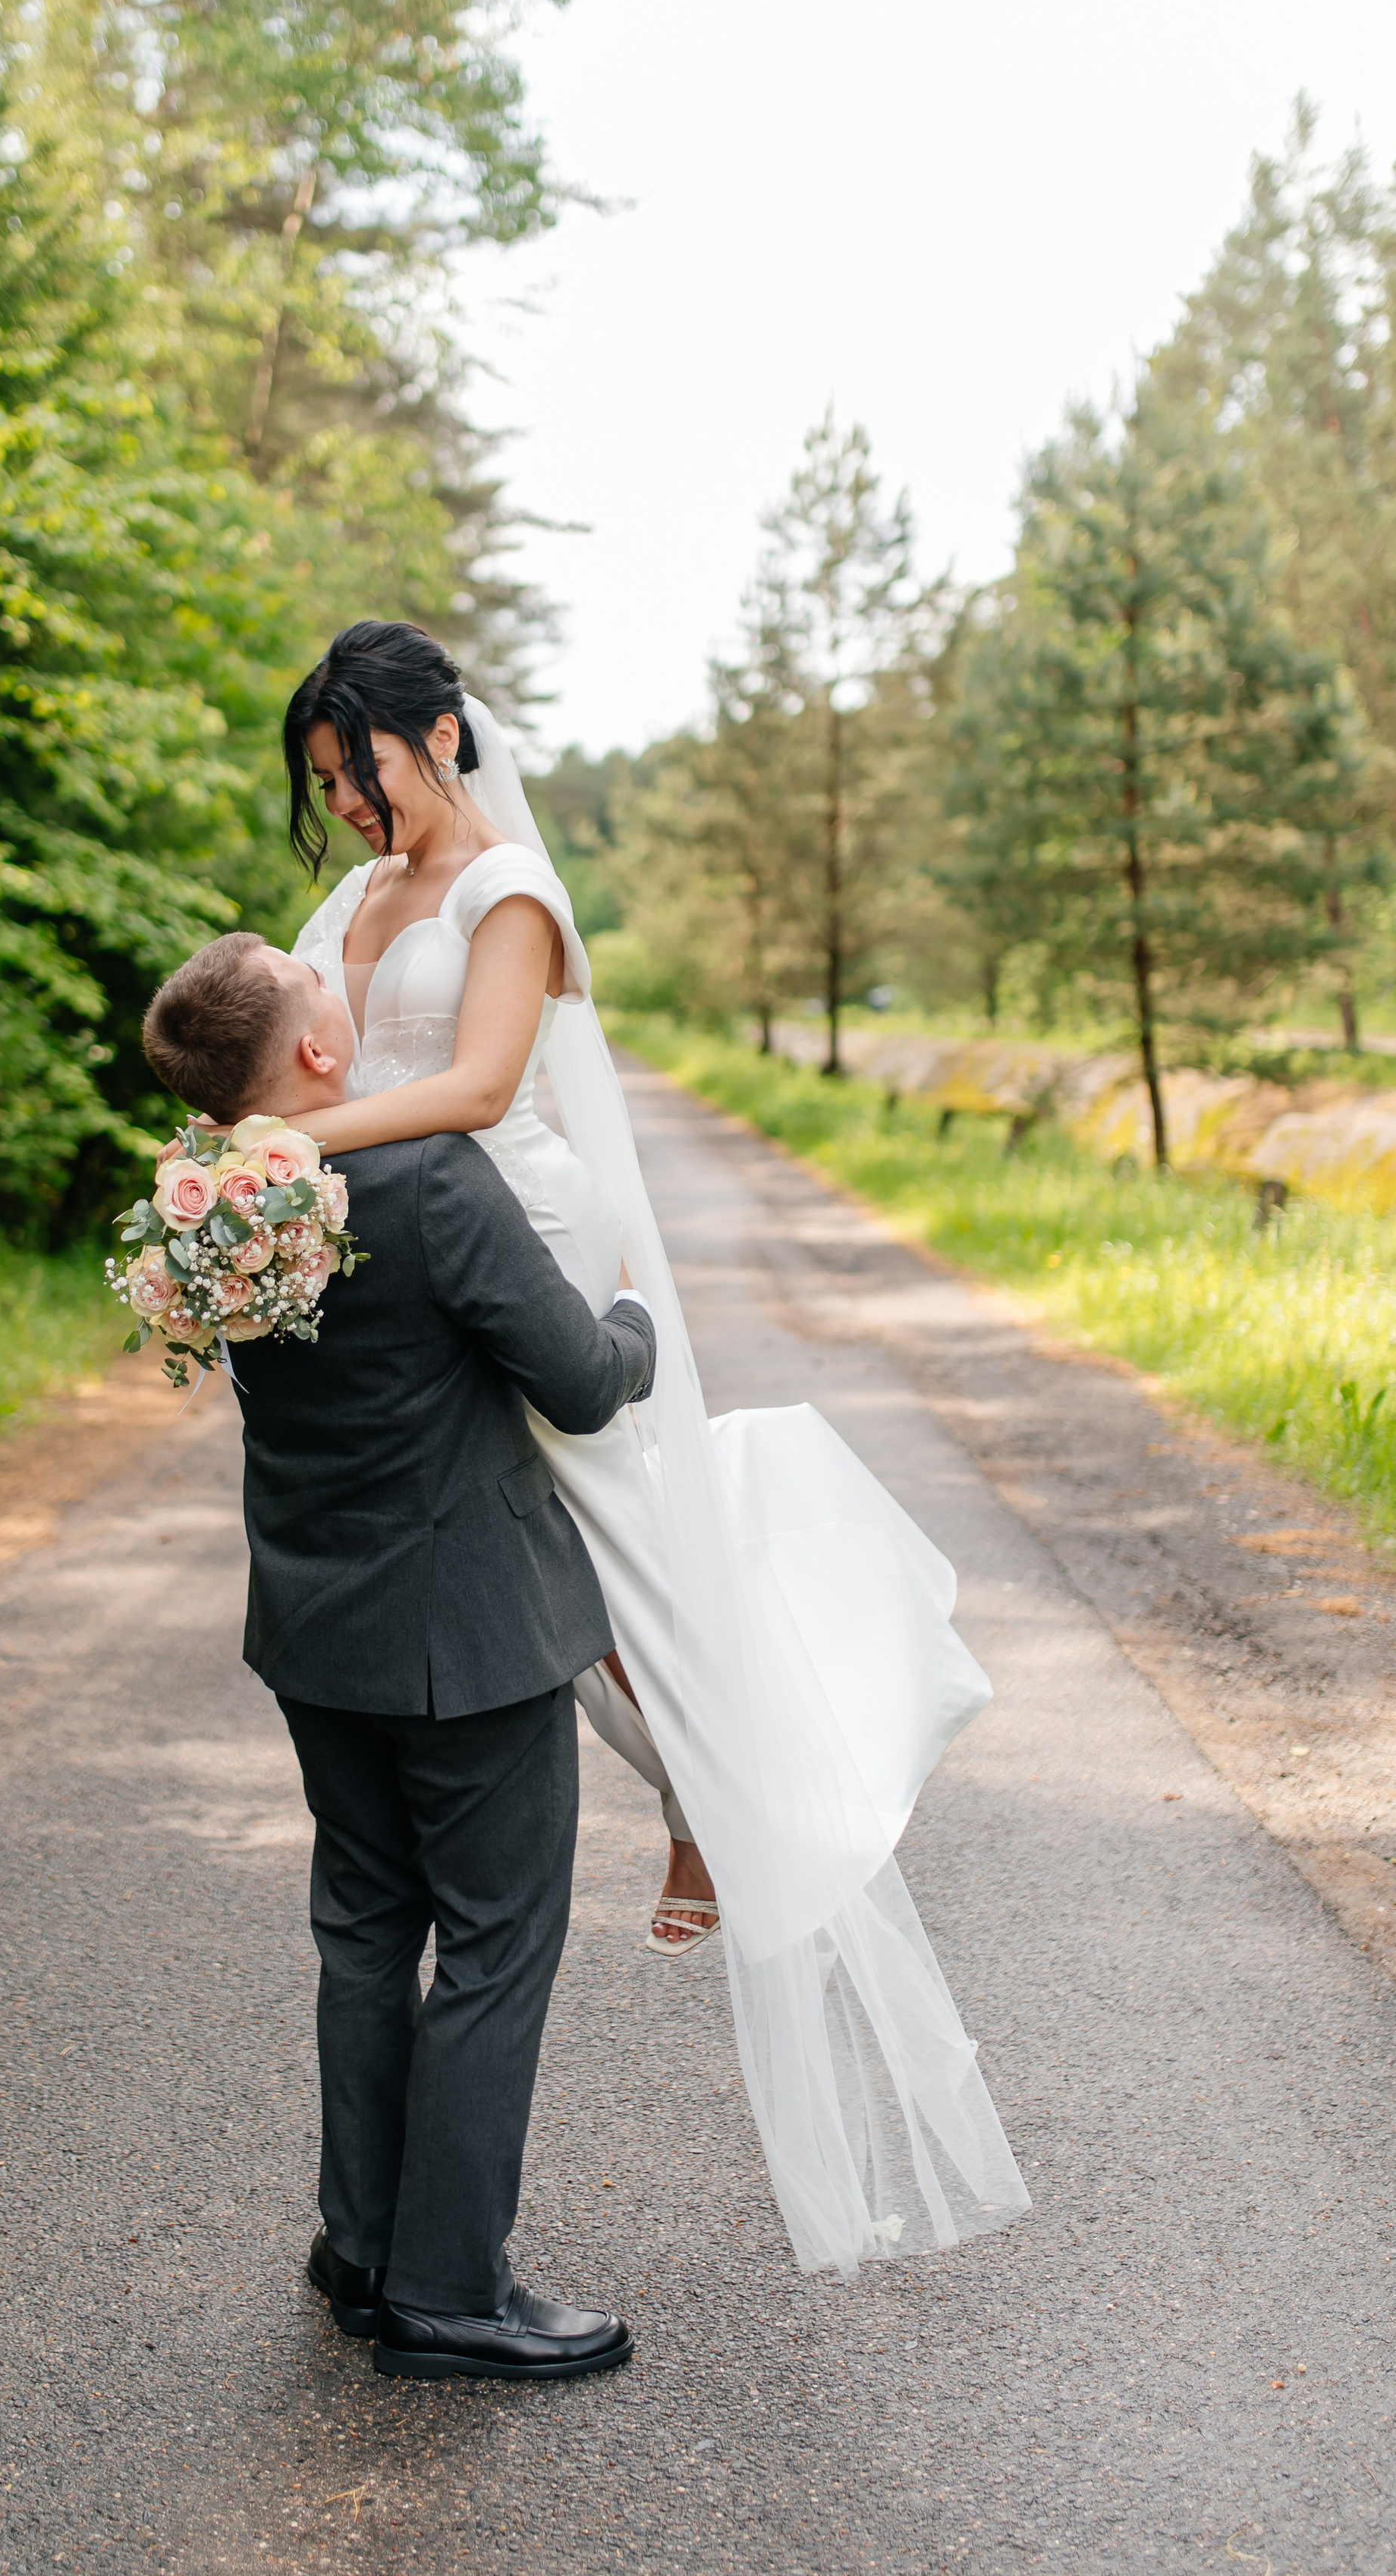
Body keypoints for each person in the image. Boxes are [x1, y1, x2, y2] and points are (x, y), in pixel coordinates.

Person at [274, 618, 1030, 2282]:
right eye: (322, 783)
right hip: (399, 1262)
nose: (343, 804)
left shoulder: (507, 894)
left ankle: (718, 1777)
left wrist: (287, 1143)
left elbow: (474, 1084)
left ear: (443, 736)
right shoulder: (349, 905)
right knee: (521, 1554)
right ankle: (687, 1772)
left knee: (613, 1528)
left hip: (518, 1234)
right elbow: (300, 1041)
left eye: (362, 768)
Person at [141, 928, 657, 2380]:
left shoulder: (205, 1216)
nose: (338, 986)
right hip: (470, 1634)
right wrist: (636, 1315)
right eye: (319, 986)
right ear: (315, 1052)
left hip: (317, 1624)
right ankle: (446, 2291)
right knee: (498, 1938)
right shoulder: (425, 1180)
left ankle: (360, 2246)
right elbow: (581, 1381)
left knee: (367, 1930)